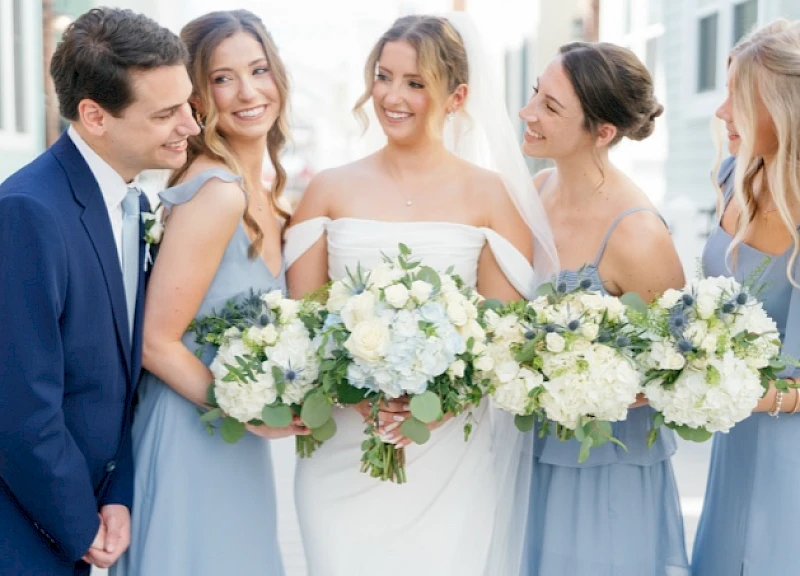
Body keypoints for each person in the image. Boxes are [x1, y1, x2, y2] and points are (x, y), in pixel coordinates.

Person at [285, 14, 557, 576]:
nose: (392, 96)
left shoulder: (492, 196)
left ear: (456, 96)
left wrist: (434, 409)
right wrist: (357, 396)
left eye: (415, 83)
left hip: (447, 450)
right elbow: (304, 323)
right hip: (343, 452)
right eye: (383, 77)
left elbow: (501, 337)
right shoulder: (328, 189)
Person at [0, 8, 198, 575]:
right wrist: (77, 521)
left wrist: (118, 491)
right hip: (25, 529)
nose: (191, 124)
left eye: (186, 103)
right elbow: (19, 406)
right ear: (95, 116)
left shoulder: (130, 200)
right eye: (166, 113)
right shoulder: (27, 212)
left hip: (87, 510)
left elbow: (118, 375)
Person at [109, 10, 306, 576]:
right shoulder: (215, 191)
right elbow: (154, 341)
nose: (248, 92)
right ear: (195, 95)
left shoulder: (262, 194)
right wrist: (247, 412)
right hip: (189, 438)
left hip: (233, 443)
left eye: (259, 69)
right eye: (222, 78)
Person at [518, 42, 689, 575]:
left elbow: (682, 362)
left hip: (604, 467)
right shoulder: (538, 188)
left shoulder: (637, 232)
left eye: (551, 107)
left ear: (604, 132)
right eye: (534, 96)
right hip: (530, 452)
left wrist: (601, 386)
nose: (529, 113)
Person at [692, 19, 800, 575]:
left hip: (790, 461)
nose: (720, 110)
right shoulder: (733, 177)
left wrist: (712, 391)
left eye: (738, 95)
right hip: (733, 442)